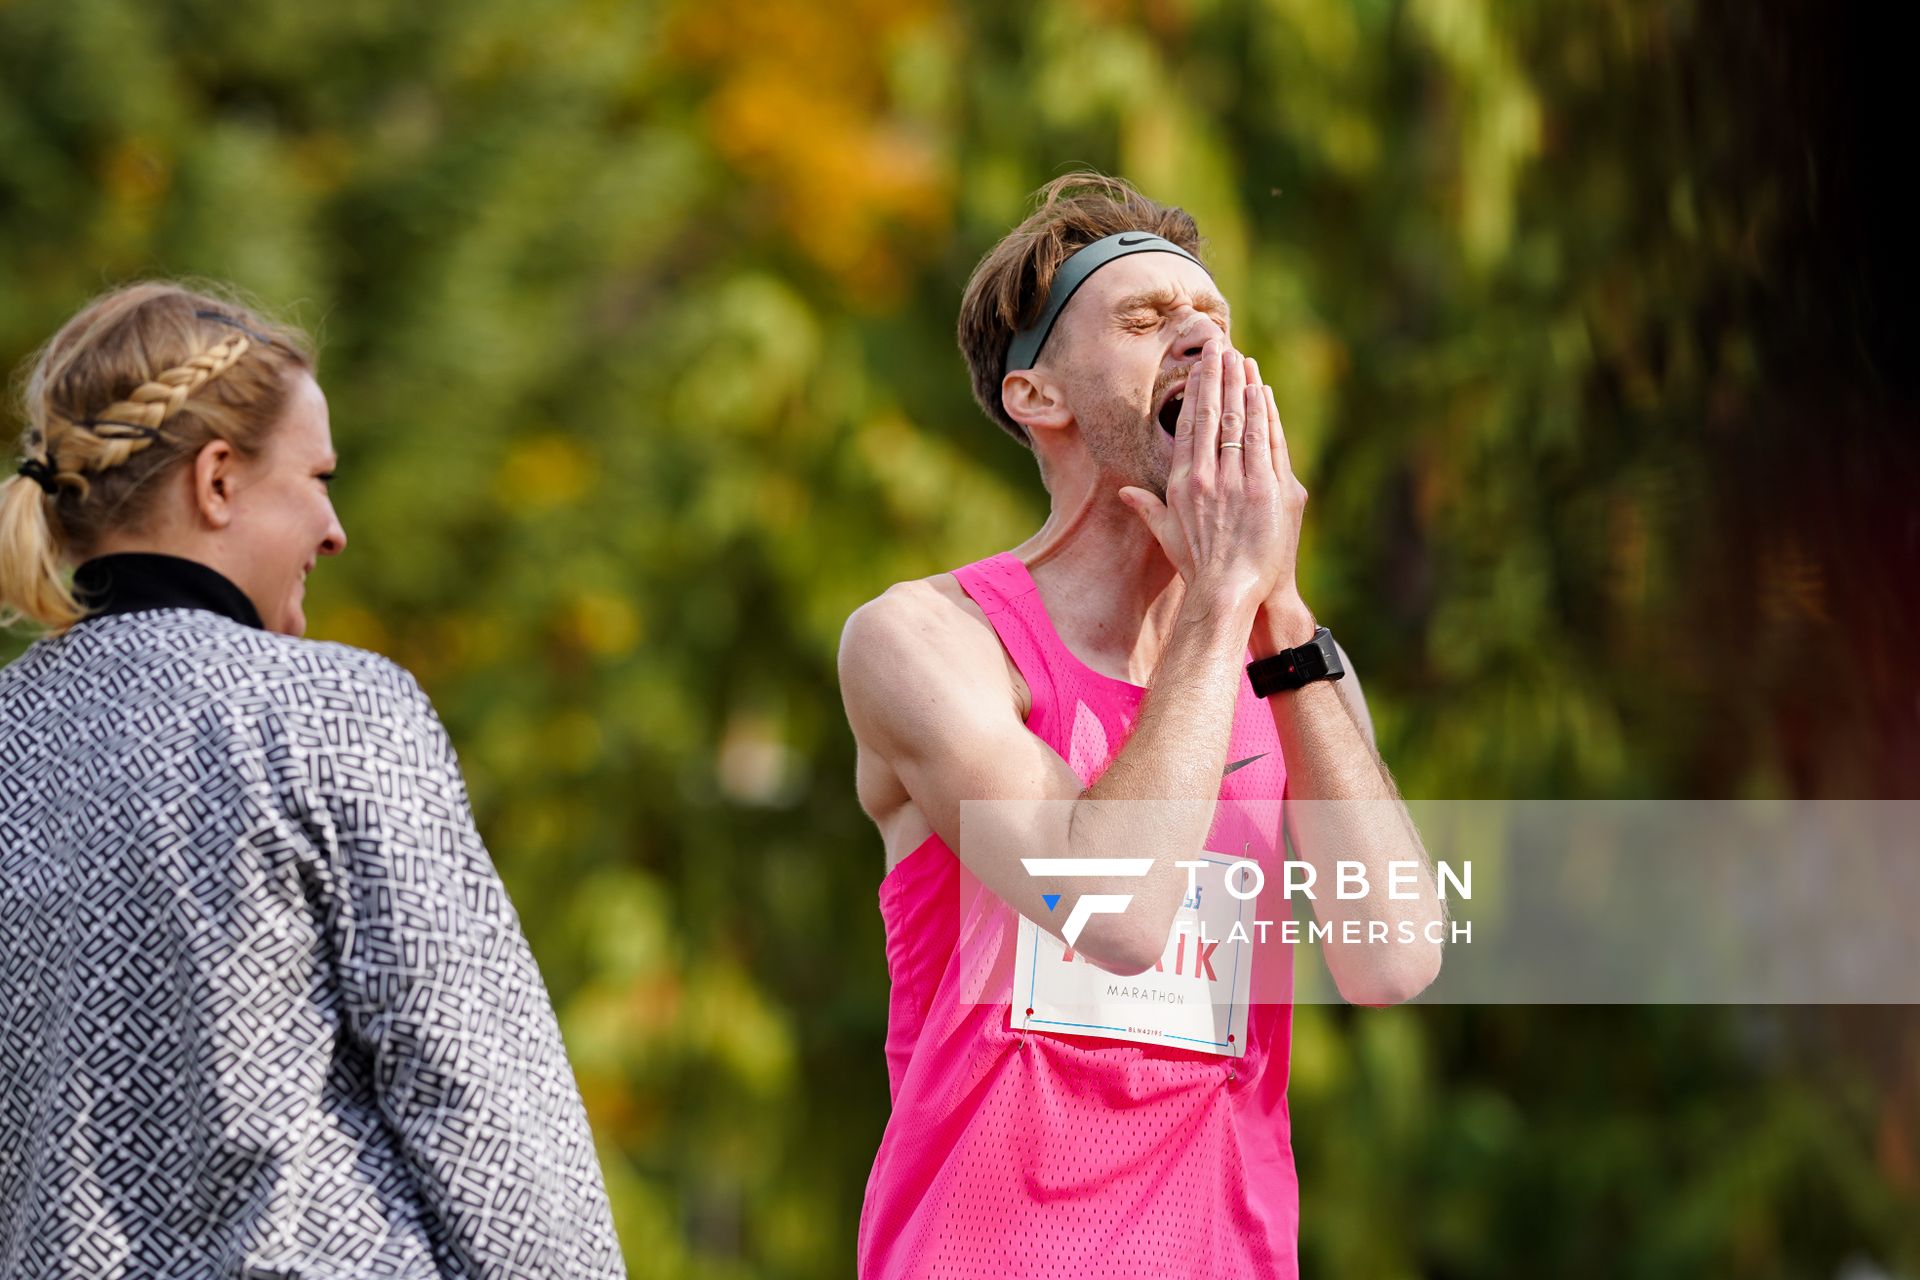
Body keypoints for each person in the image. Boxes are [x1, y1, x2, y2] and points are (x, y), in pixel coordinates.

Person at [838, 174, 1447, 1277]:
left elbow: (1395, 958)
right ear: (1040, 398)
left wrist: (1277, 608)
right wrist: (1222, 603)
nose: (1200, 341)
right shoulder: (926, 640)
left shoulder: (1292, 661)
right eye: (1146, 318)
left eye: (1213, 320)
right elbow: (1113, 911)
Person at [0, 283, 624, 1278]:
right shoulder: (327, 709)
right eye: (318, 476)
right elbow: (475, 1090)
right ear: (216, 481)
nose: (334, 529)